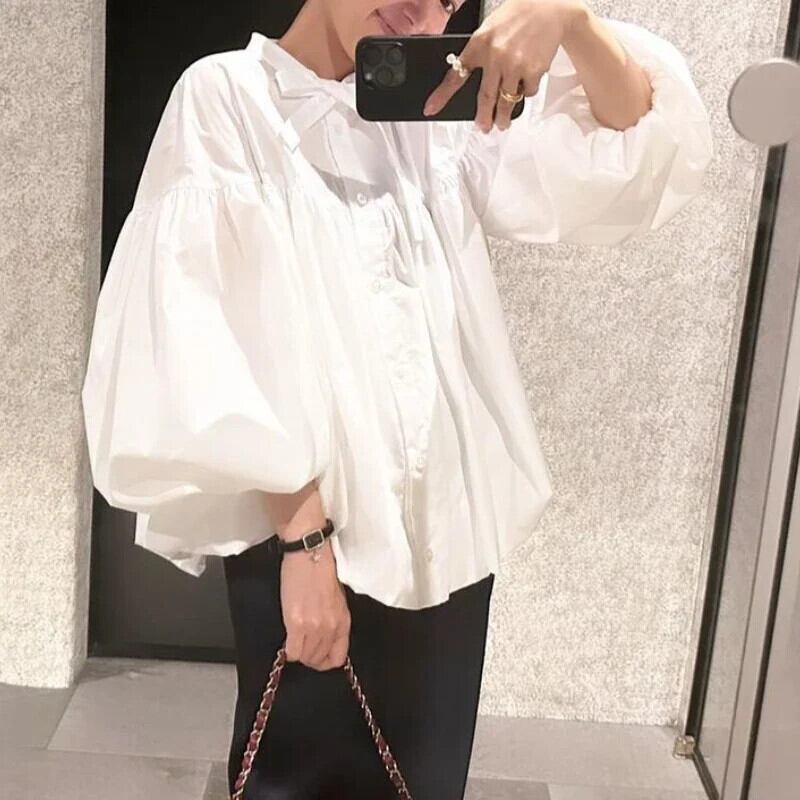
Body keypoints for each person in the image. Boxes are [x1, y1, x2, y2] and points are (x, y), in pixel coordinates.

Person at [80, 0, 714, 797]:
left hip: (450, 532)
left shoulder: (435, 110)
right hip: (317, 534)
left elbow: (632, 146)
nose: (424, 8)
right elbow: (214, 338)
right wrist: (305, 547)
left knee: (423, 776)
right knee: (300, 775)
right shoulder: (229, 97)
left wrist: (572, 22)